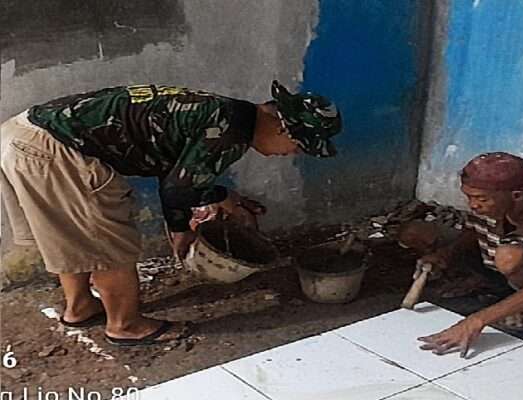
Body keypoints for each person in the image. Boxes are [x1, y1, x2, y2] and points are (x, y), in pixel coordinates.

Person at [0, 81, 341, 346]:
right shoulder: (229, 132)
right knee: (108, 244)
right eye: (298, 147)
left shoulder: (225, 112)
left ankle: (80, 308)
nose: (291, 154)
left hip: (24, 135)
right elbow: (178, 190)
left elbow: (175, 171)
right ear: (283, 129)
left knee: (76, 235)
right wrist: (192, 222)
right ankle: (125, 327)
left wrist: (210, 205)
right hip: (54, 151)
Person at [398, 152, 523, 356]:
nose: (473, 205)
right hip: (492, 265)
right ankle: (484, 282)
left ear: (517, 195)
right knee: (414, 232)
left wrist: (475, 321)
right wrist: (444, 255)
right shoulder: (489, 204)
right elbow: (472, 231)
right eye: (468, 196)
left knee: (510, 257)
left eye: (481, 199)